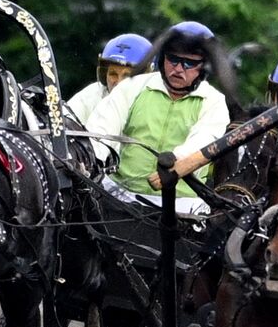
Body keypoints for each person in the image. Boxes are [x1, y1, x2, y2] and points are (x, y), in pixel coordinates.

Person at [84, 20, 233, 214]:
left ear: (204, 68)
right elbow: (100, 130)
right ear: (162, 58)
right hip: (118, 195)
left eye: (189, 63)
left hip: (184, 207)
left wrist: (174, 162)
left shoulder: (214, 102)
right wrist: (88, 158)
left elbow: (203, 140)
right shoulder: (132, 86)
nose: (178, 69)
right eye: (173, 59)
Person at [66, 33, 152, 125]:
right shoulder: (91, 97)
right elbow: (63, 123)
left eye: (127, 76)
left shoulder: (157, 103)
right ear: (104, 75)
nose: (119, 82)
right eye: (113, 74)